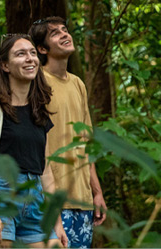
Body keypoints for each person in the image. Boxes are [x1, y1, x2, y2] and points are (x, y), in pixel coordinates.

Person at [0, 34, 69, 248]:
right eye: (20, 54)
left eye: (33, 53)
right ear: (5, 65)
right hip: (3, 195)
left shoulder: (39, 113)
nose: (30, 58)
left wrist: (57, 222)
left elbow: (47, 171)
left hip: (36, 199)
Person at [29, 17, 107, 248]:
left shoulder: (78, 84)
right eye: (55, 33)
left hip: (82, 199)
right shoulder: (37, 81)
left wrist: (97, 193)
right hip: (50, 198)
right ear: (42, 49)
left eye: (65, 30)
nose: (64, 34)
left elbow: (86, 142)